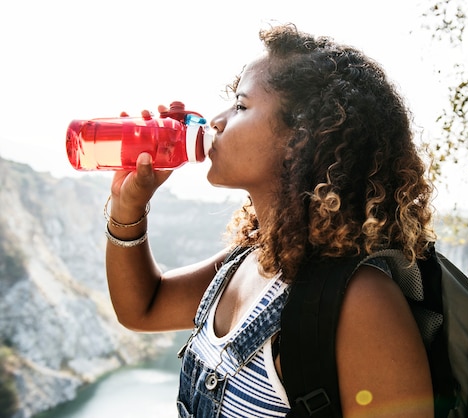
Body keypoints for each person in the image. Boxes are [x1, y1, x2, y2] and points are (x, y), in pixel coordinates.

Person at [105, 23, 435, 418]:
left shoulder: (361, 302)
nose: (216, 121)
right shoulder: (251, 258)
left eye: (241, 106)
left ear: (301, 138)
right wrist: (128, 205)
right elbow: (143, 307)